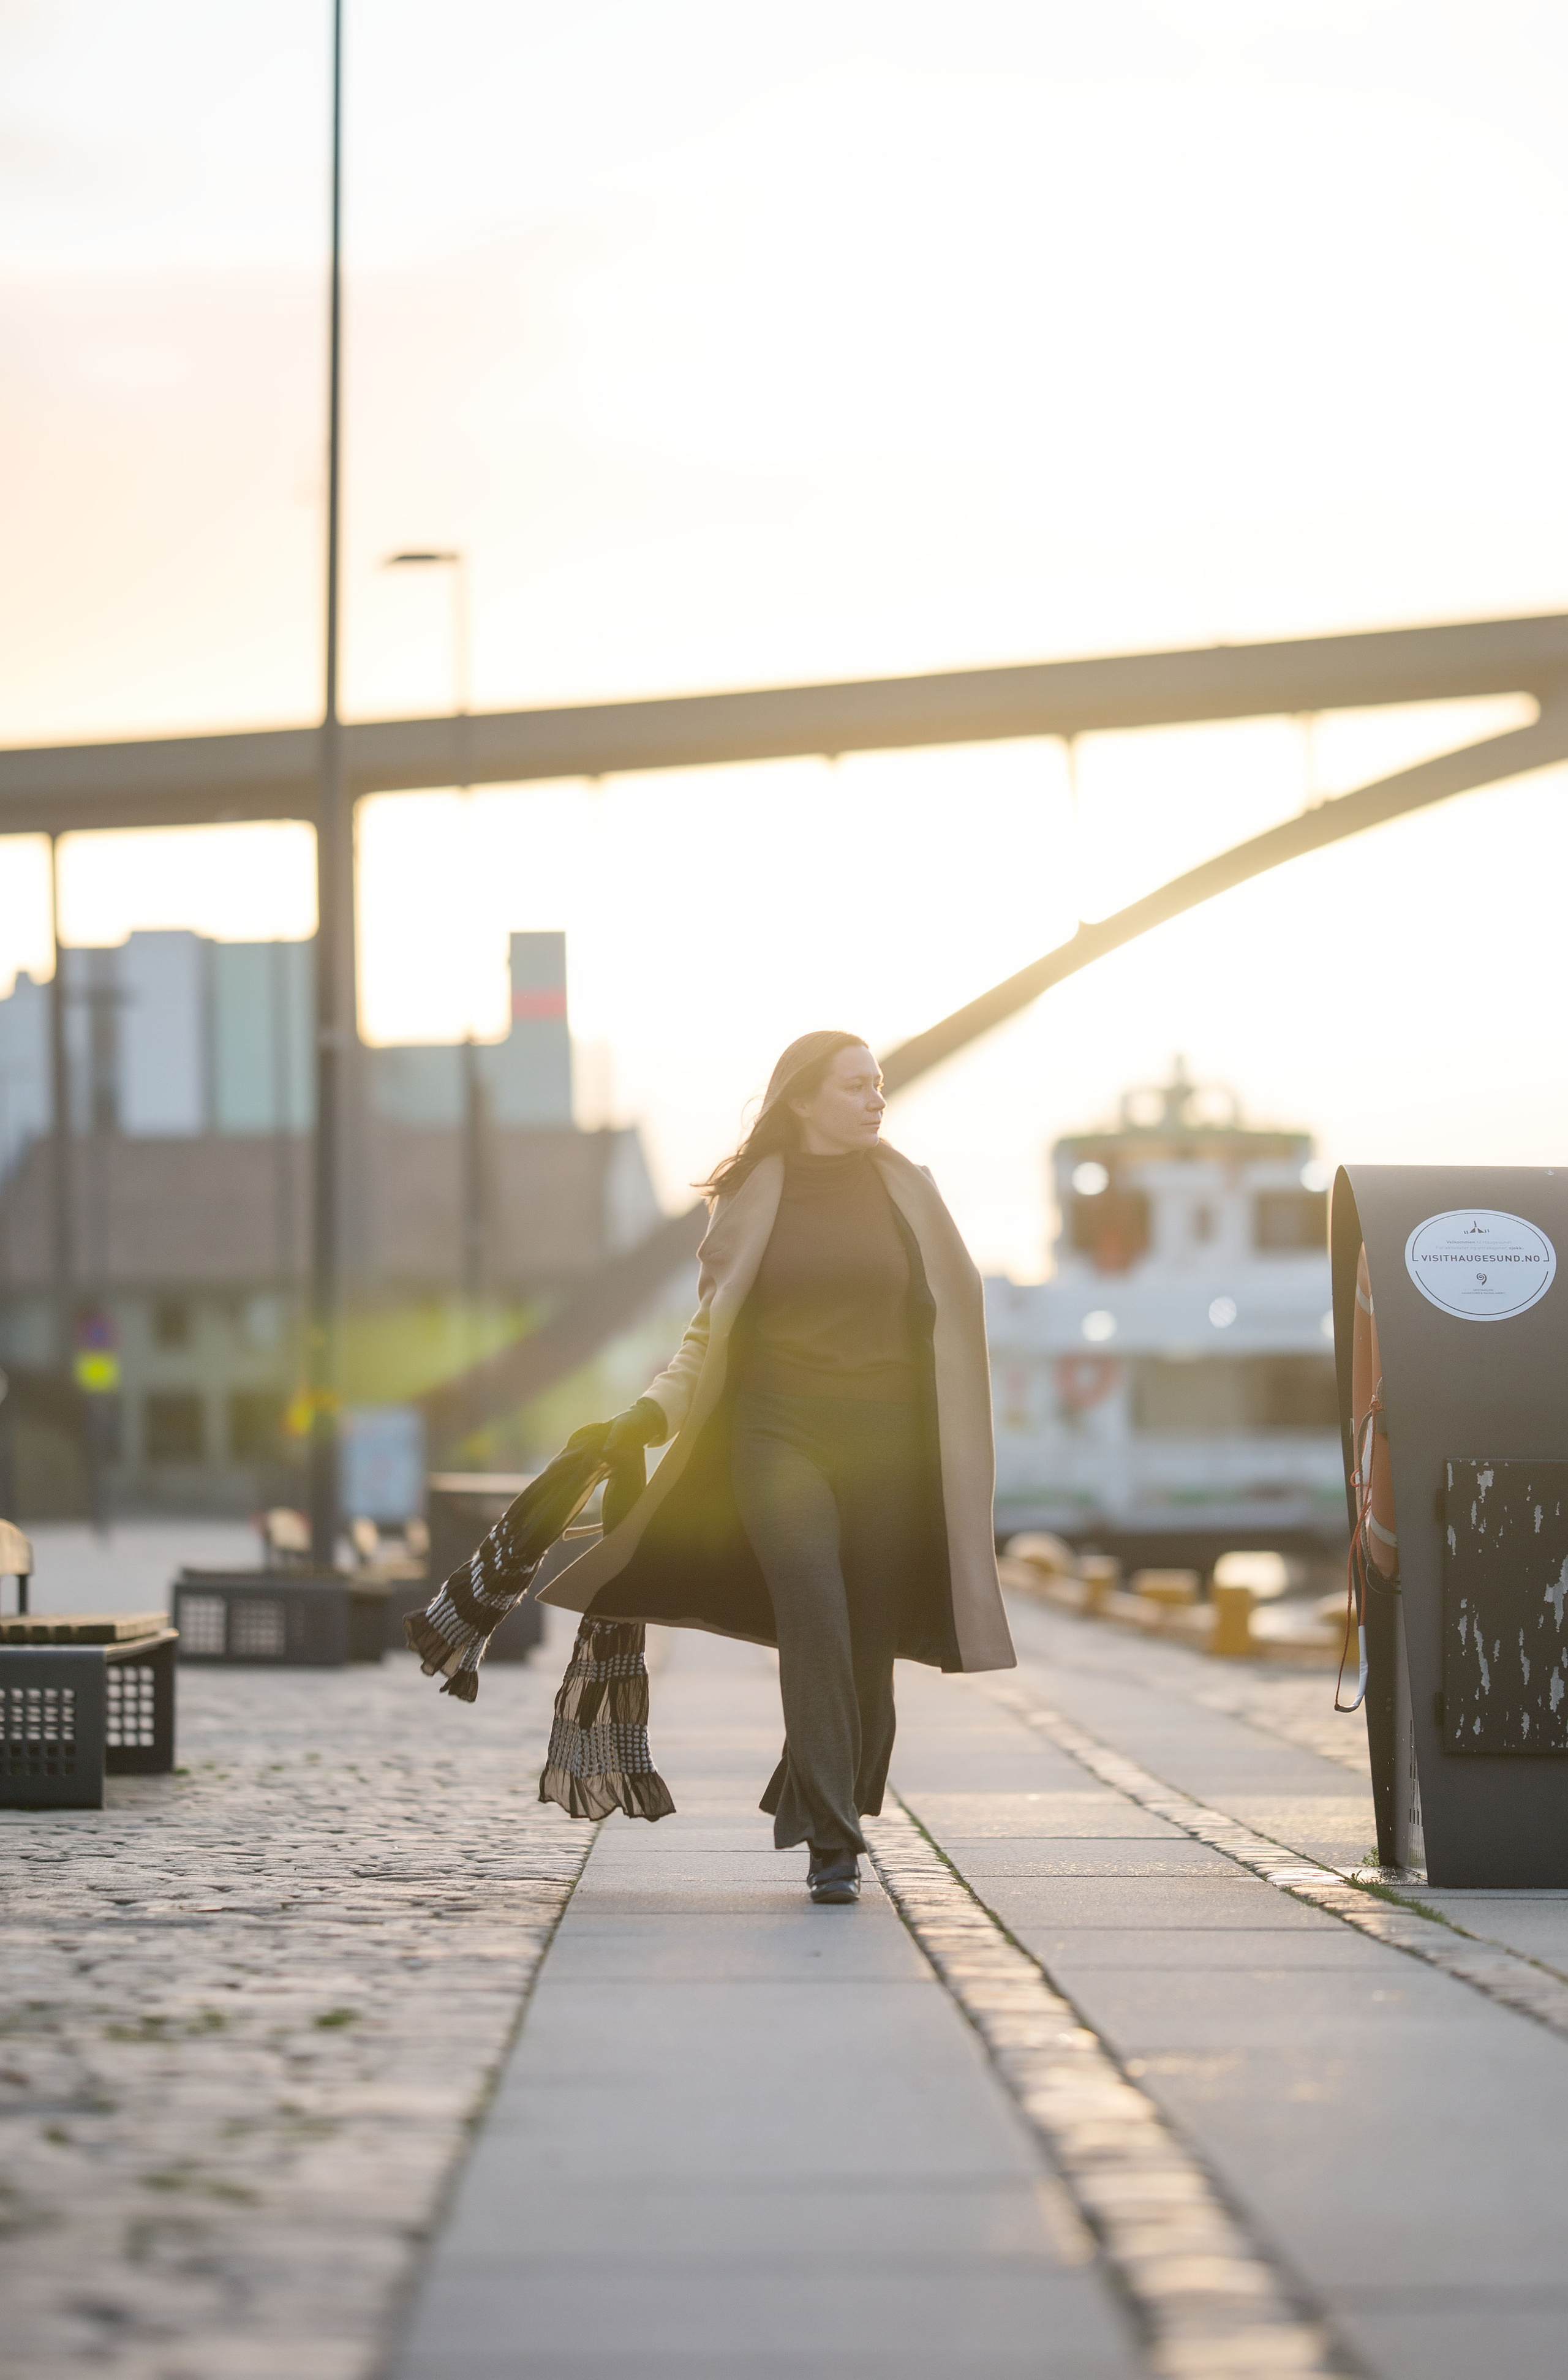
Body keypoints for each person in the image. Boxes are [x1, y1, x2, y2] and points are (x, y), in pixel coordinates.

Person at [538, 1030, 1016, 1903]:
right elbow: (707, 1330)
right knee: (815, 1612)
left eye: (878, 1085)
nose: (876, 1098)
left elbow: (945, 1321)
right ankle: (833, 1842)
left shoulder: (910, 1192)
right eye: (855, 1086)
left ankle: (816, 1788)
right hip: (777, 1436)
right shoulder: (755, 1195)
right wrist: (652, 1410)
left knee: (868, 1645)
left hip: (885, 1450)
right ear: (802, 1099)